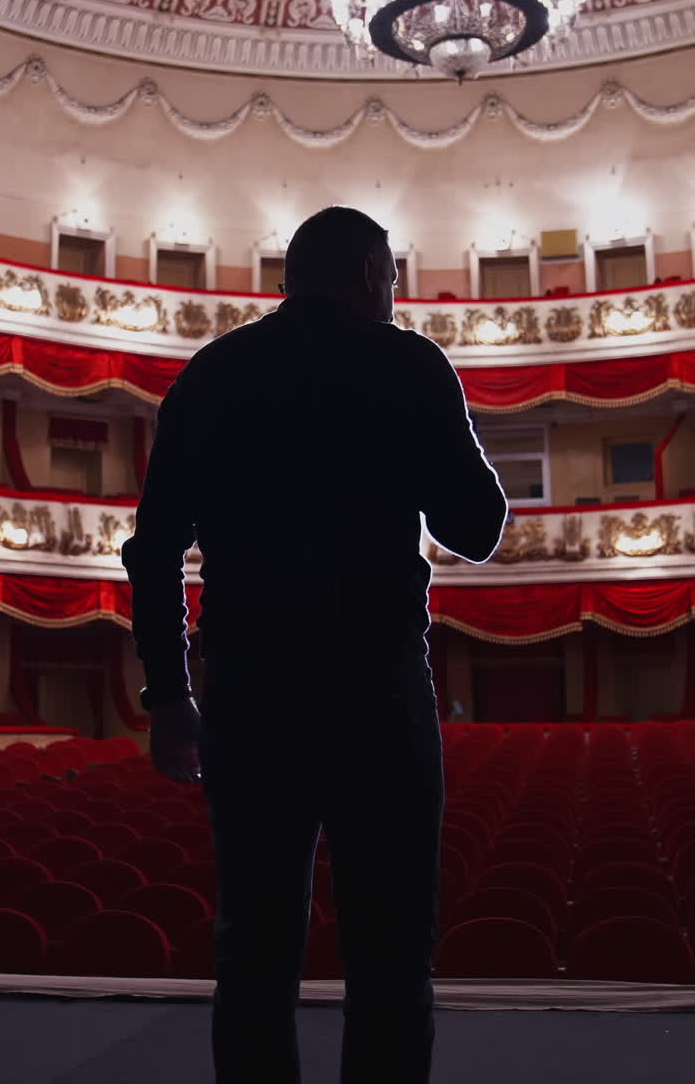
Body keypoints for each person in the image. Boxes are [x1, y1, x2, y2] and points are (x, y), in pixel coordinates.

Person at [122, 205, 507, 1084]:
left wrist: (170, 697)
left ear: (292, 279)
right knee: (391, 955)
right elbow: (477, 526)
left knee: (253, 951)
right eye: (394, 282)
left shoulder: (213, 374)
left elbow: (152, 551)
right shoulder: (407, 365)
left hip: (251, 697)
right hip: (378, 692)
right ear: (374, 277)